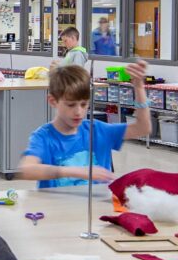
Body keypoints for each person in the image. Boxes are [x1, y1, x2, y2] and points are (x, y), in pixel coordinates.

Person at [19, 59, 150, 188]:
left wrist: (139, 87)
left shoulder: (98, 130)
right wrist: (78, 171)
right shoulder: (44, 136)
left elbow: (143, 128)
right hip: (60, 208)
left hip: (97, 206)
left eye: (84, 104)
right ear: (53, 101)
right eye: (71, 105)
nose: (78, 112)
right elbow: (27, 169)